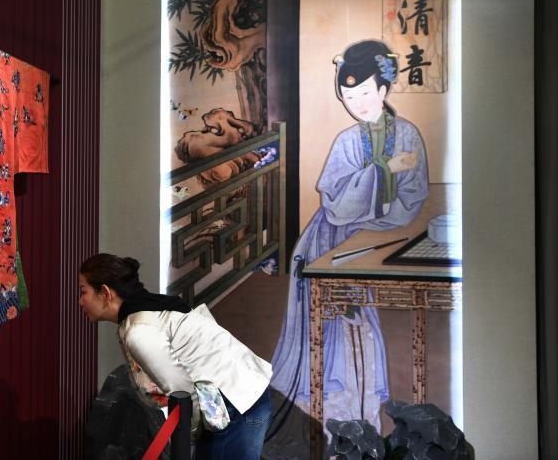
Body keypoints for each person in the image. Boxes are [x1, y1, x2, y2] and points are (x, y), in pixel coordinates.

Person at [268, 40, 429, 445]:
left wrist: (380, 215)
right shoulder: (346, 141)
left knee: (361, 328)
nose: (357, 104)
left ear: (383, 89)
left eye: (364, 94)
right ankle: (328, 422)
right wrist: (384, 170)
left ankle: (359, 418)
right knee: (333, 327)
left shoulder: (408, 135)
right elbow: (336, 203)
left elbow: (414, 196)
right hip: (327, 242)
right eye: (349, 96)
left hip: (377, 240)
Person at [78, 253, 273, 459]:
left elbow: (181, 392)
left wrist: (186, 438)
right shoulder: (145, 313)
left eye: (83, 292)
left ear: (106, 293)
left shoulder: (140, 331)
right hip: (232, 400)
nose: (80, 301)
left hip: (234, 405)